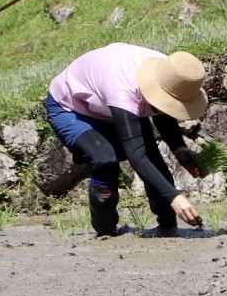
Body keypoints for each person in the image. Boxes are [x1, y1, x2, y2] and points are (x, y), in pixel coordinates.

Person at [45, 44, 210, 238]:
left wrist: (179, 149)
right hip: (71, 108)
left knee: (154, 161)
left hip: (111, 103)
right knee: (105, 159)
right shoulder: (124, 88)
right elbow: (136, 155)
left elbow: (165, 109)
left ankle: (168, 227)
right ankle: (106, 233)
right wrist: (175, 197)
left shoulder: (176, 73)